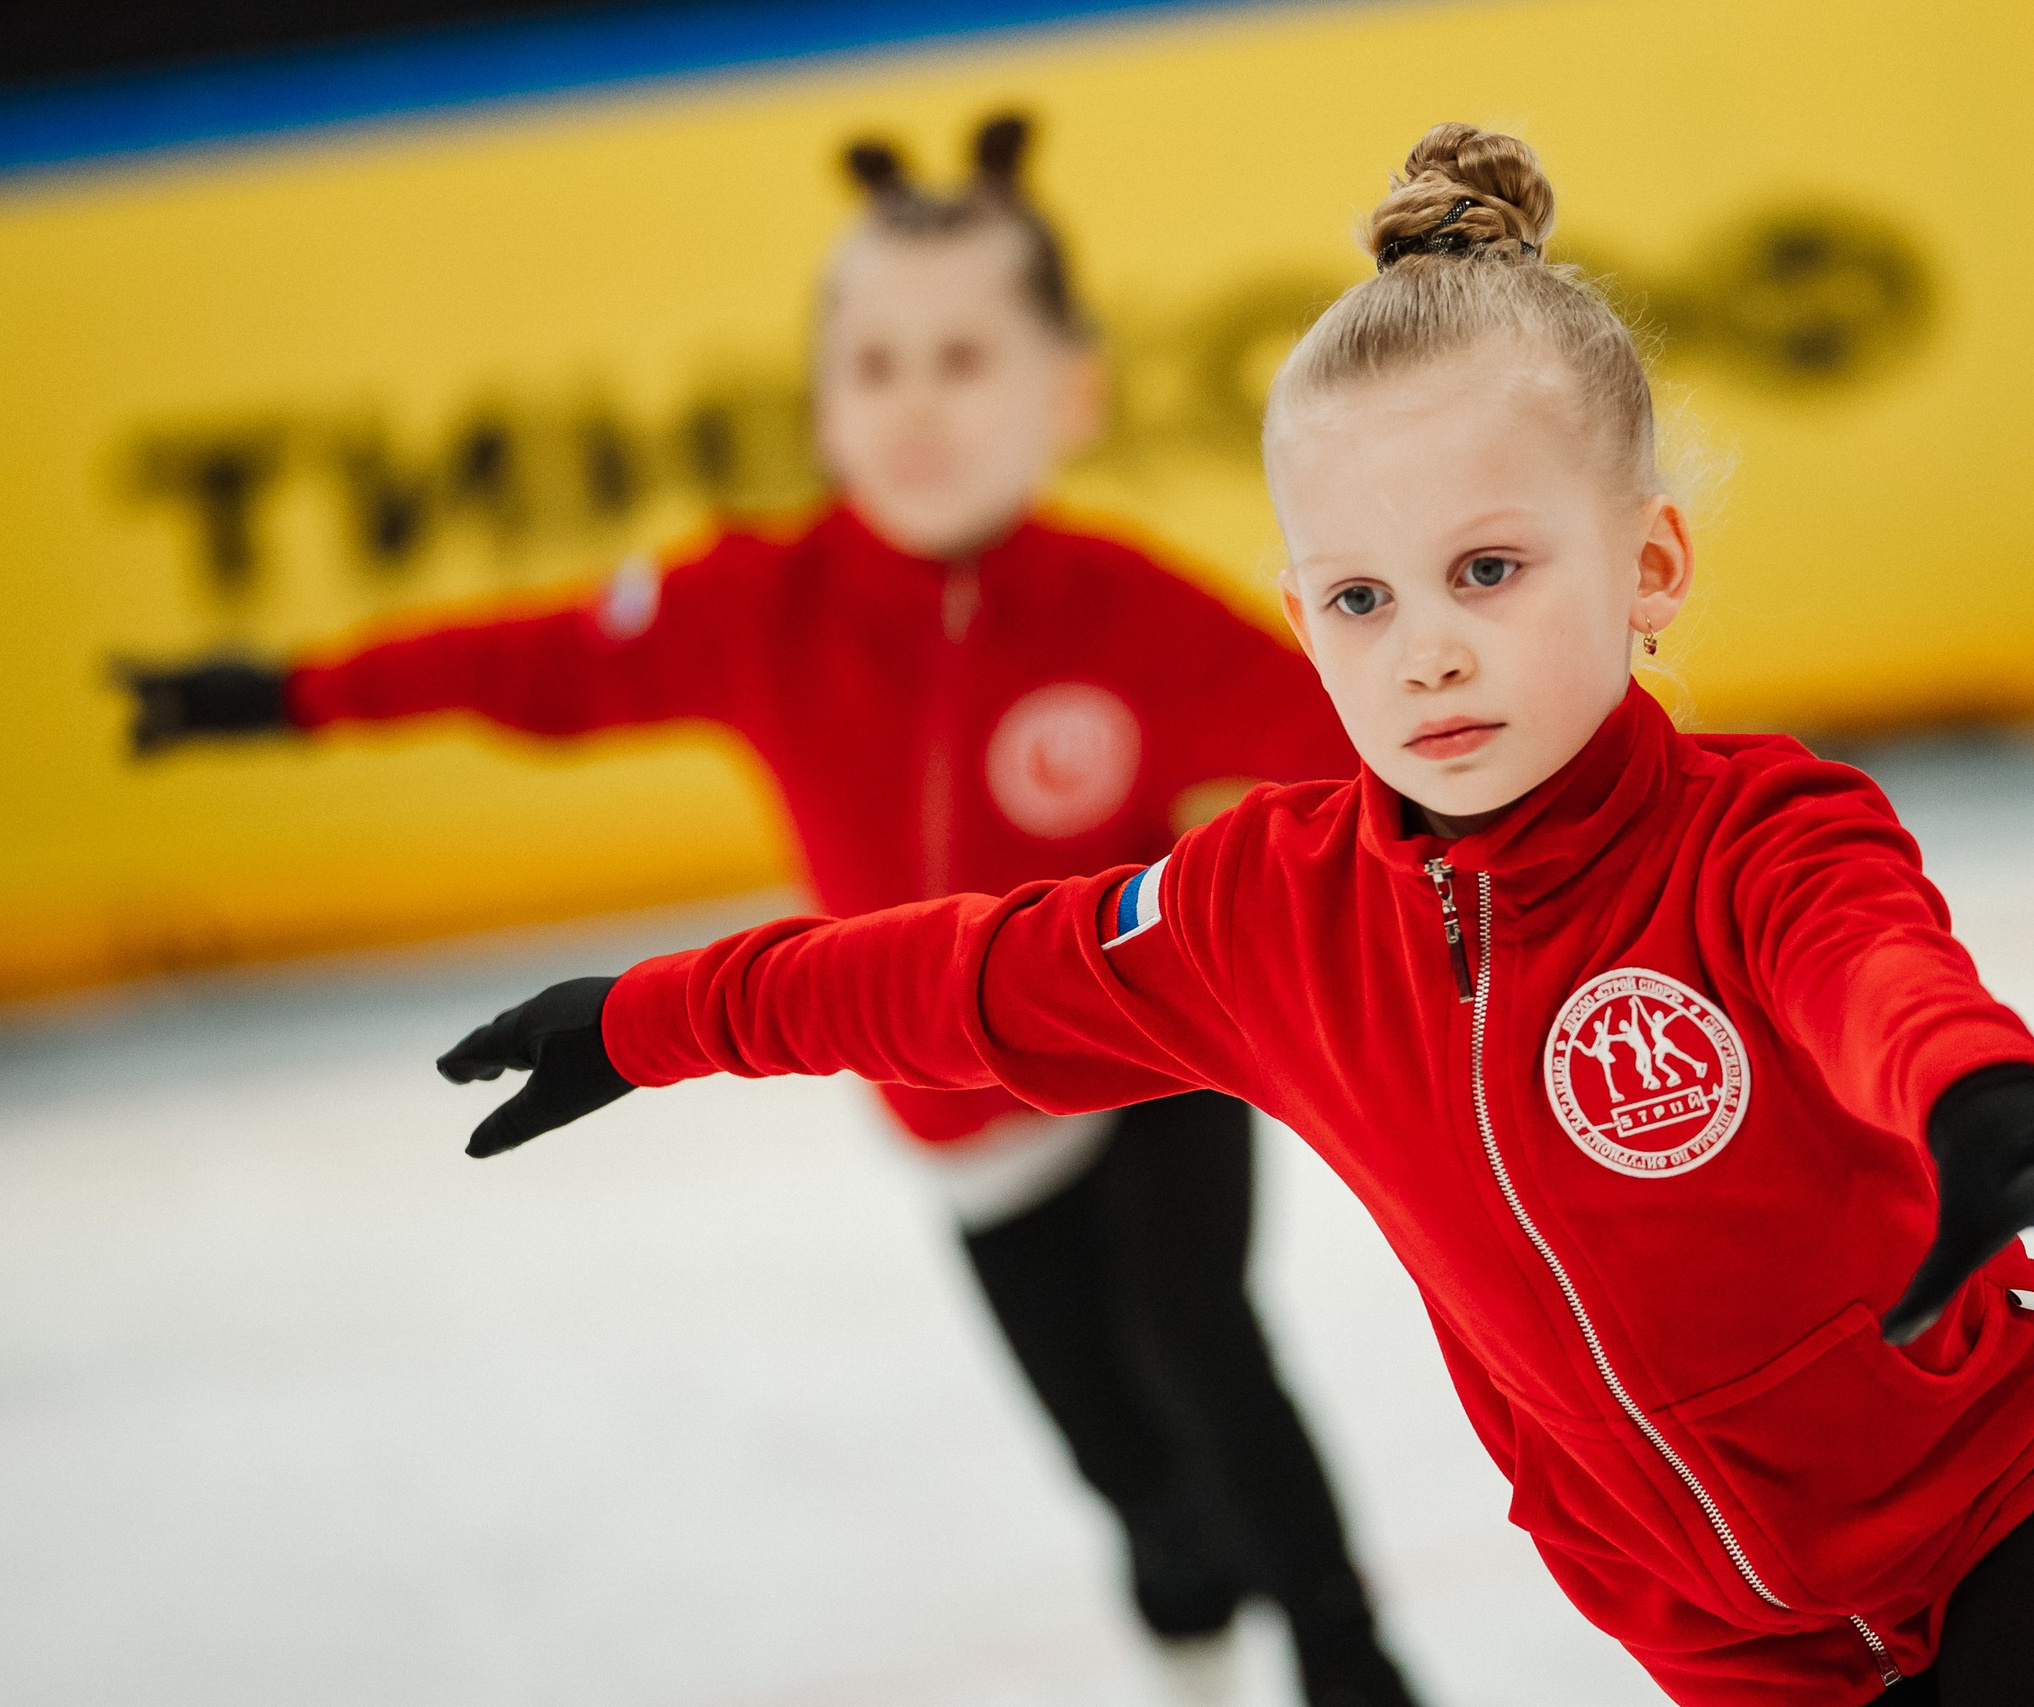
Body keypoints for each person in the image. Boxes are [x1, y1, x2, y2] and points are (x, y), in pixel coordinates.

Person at [434, 124, 2034, 1706]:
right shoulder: (1261, 918)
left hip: (2011, 1509)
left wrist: (1978, 1098)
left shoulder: (1750, 832)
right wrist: (639, 1020)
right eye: (1360, 597)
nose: (1425, 643)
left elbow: (1875, 973)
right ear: (1300, 618)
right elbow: (959, 973)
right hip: (1718, 1641)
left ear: (1649, 563)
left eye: (1490, 571)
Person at [117, 115, 1422, 1707]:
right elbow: (531, 664)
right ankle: (1175, 1553)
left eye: (962, 356)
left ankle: (1352, 1664)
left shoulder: (1122, 608)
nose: (917, 403)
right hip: (951, 1116)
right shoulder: (764, 609)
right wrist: (291, 696)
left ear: (1066, 392)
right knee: (1133, 1473)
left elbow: (1350, 748)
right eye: (875, 366)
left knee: (1206, 1346)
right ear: (822, 401)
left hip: (1147, 1047)